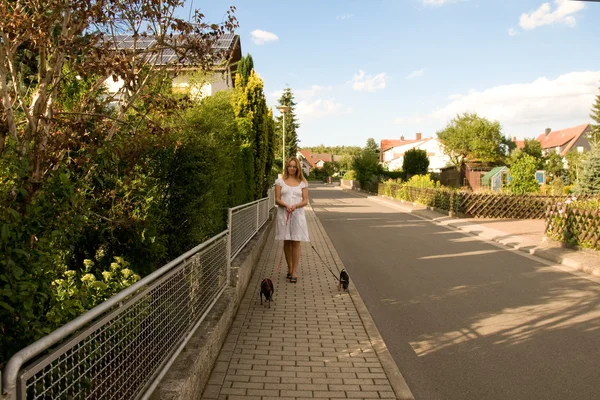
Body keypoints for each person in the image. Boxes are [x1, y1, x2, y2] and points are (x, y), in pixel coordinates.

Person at [274, 156, 309, 283]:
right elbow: (277, 199)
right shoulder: (280, 182)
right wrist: (286, 205)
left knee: (296, 242)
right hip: (284, 214)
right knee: (287, 242)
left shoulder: (303, 183)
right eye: (290, 166)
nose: (292, 168)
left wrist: (295, 206)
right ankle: (289, 267)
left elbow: (305, 200)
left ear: (298, 168)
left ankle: (294, 271)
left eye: (294, 166)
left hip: (298, 215)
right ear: (286, 167)